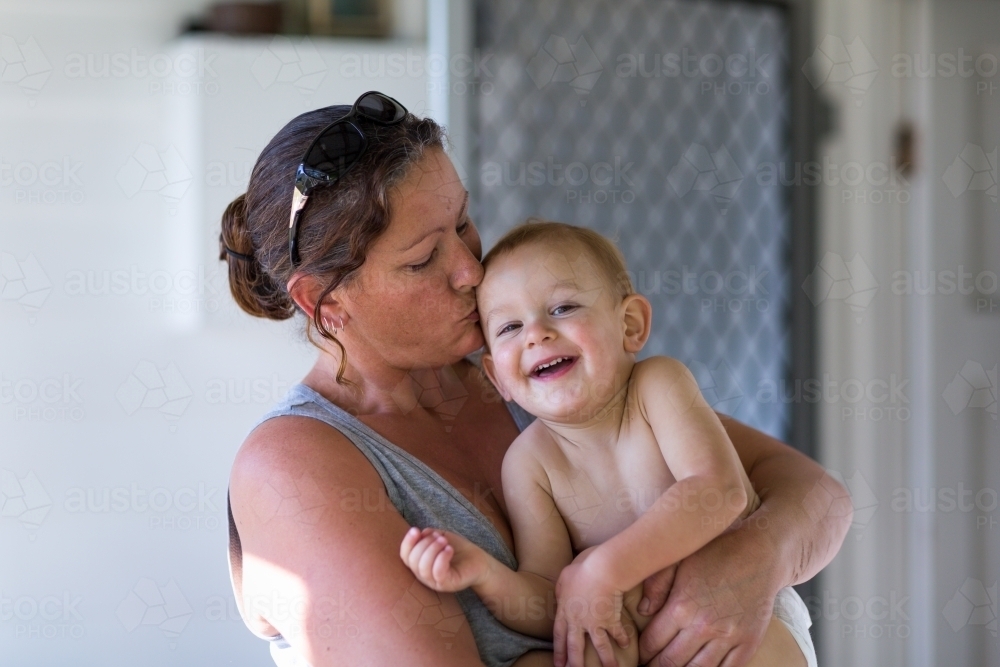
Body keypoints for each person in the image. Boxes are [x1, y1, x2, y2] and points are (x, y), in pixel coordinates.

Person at [220, 92, 851, 667]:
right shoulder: (293, 465)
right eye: (423, 260)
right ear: (325, 305)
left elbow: (815, 494)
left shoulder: (544, 379)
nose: (471, 270)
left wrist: (750, 561)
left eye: (463, 223)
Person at [399, 221, 814, 667]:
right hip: (651, 646)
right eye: (510, 327)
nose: (536, 333)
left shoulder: (658, 387)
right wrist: (485, 575)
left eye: (562, 308)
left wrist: (603, 572)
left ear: (630, 325)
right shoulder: (529, 464)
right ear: (497, 377)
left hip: (745, 620)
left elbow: (718, 491)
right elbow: (553, 598)